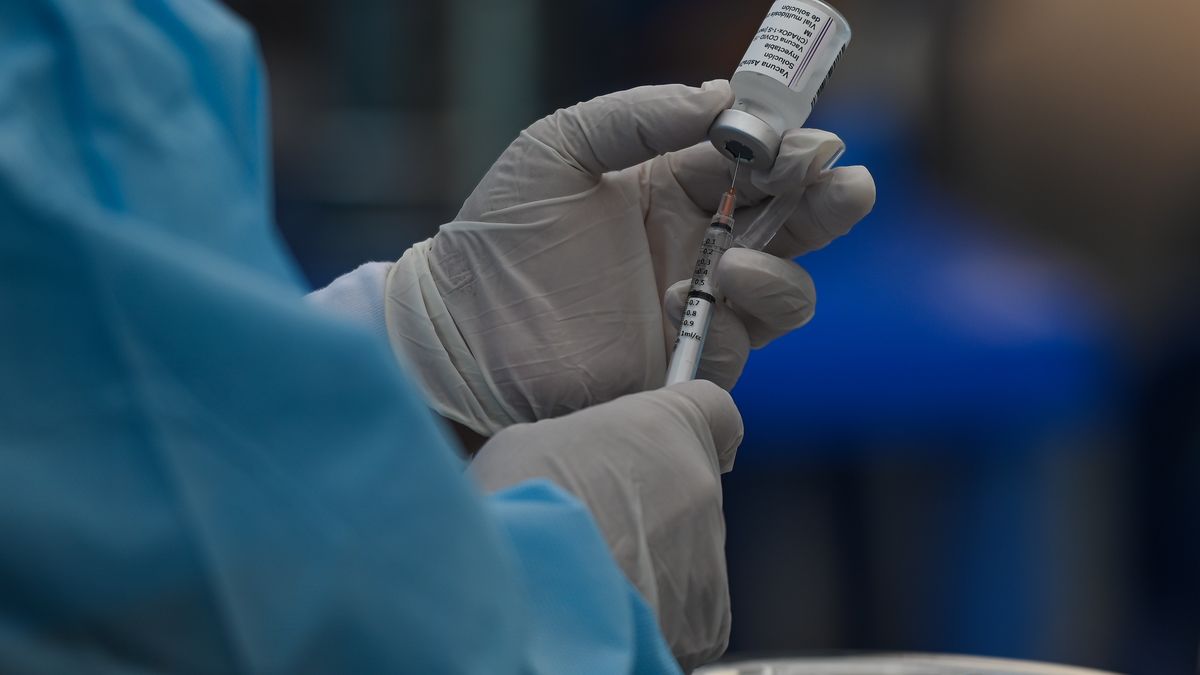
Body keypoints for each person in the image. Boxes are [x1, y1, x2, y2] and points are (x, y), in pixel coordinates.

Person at [0, 0, 874, 672]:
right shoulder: (58, 60)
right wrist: (545, 598)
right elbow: (164, 577)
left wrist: (428, 347)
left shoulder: (99, 55)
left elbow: (101, 446)